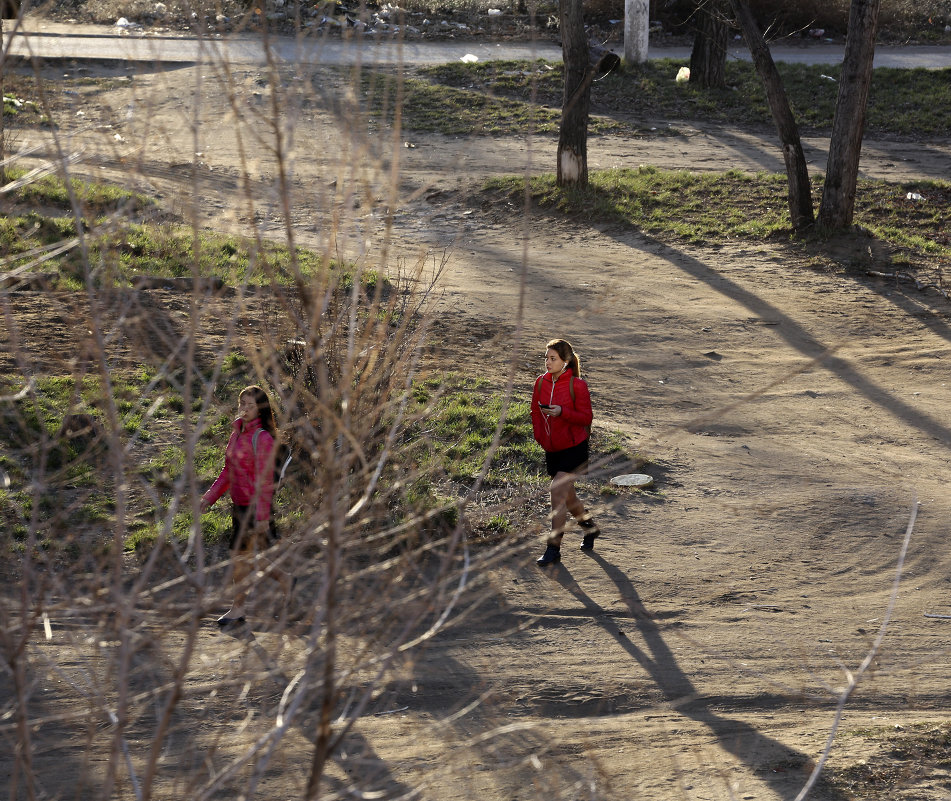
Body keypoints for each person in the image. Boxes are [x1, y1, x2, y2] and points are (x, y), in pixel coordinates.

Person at [201, 385, 293, 626]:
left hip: (256, 507)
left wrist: (262, 516)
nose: (244, 409)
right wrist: (210, 497)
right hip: (239, 505)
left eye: (250, 405)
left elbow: (264, 480)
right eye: (242, 404)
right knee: (247, 558)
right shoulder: (236, 434)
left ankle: (238, 609)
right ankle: (283, 580)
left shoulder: (261, 437)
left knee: (242, 559)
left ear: (260, 409)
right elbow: (227, 472)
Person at [530, 338, 600, 566]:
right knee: (567, 498)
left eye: (553, 359)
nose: (548, 363)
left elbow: (586, 418)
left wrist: (563, 412)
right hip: (553, 448)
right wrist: (540, 437)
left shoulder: (577, 385)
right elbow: (534, 413)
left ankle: (553, 549)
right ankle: (590, 527)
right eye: (546, 358)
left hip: (574, 447)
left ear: (565, 361)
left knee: (556, 489)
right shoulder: (540, 383)